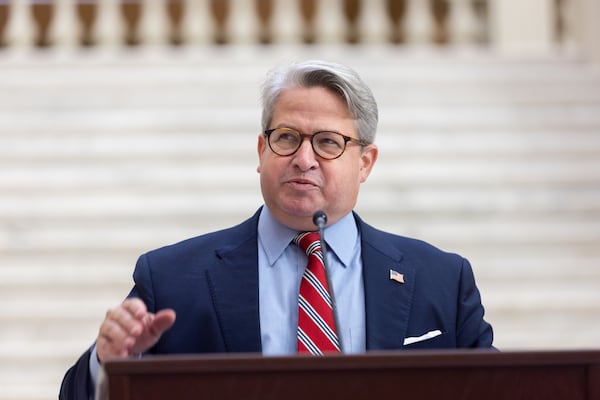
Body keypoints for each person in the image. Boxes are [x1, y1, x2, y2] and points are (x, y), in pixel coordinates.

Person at [60, 59, 494, 399]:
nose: (304, 159)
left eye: (328, 142)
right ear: (261, 149)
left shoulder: (442, 280)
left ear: (365, 163)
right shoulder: (172, 278)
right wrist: (110, 362)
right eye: (287, 137)